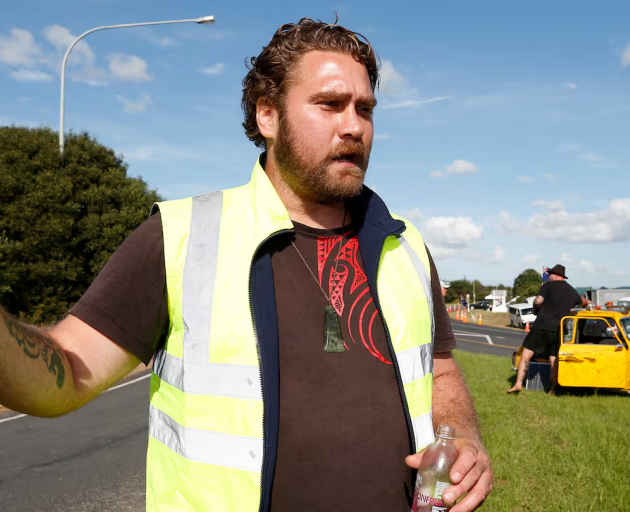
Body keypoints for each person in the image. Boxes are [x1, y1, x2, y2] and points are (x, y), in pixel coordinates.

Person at [0, 18, 492, 511]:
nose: (354, 125)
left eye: (365, 109)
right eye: (329, 104)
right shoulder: (181, 235)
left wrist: (464, 437)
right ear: (268, 116)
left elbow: (442, 372)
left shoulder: (404, 246)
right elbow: (66, 372)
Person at [507, 264, 588, 395]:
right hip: (558, 329)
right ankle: (553, 389)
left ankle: (517, 384)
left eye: (550, 274)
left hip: (541, 326)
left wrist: (535, 307)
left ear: (555, 275)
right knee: (553, 360)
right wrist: (588, 302)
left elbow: (538, 300)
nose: (548, 276)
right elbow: (582, 301)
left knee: (526, 355)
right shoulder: (571, 290)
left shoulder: (547, 286)